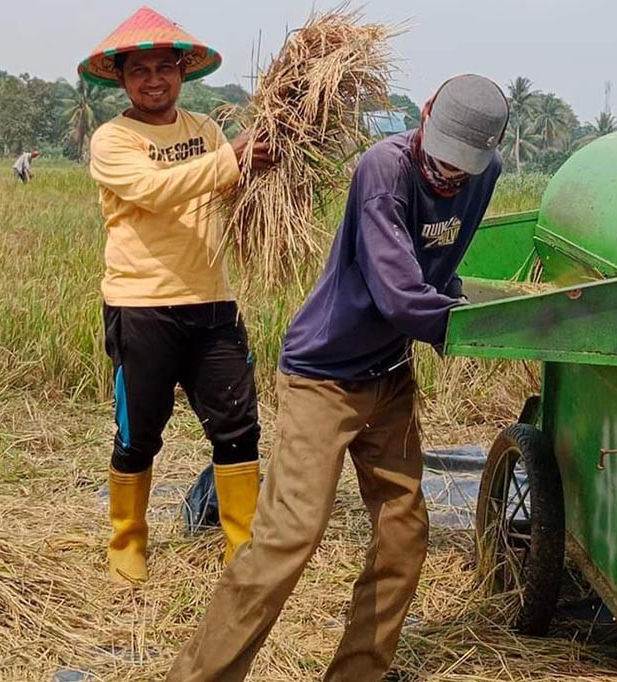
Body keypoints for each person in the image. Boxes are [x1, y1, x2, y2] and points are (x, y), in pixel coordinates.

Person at [168, 74, 509, 682]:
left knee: (404, 534)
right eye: (442, 161)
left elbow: (440, 267)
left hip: (390, 376)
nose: (448, 177)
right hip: (323, 376)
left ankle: (358, 674)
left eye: (463, 169)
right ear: (424, 113)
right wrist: (484, 326)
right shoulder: (385, 169)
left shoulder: (484, 174)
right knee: (287, 538)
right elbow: (402, 295)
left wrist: (457, 298)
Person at [78, 6, 274, 583]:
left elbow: (229, 182)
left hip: (212, 305)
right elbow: (155, 191)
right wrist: (230, 159)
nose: (155, 79)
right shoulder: (113, 139)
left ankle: (242, 548)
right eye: (141, 70)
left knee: (238, 428)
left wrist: (262, 163)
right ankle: (128, 542)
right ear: (121, 78)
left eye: (166, 67)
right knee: (139, 431)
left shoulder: (205, 131)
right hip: (141, 307)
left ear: (183, 72)